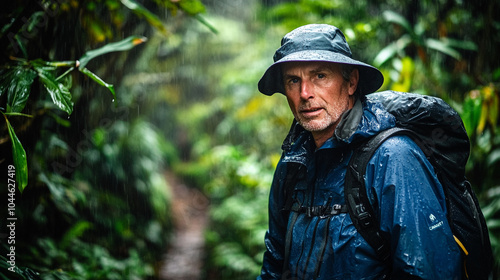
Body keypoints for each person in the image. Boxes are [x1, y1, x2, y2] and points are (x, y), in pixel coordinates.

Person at [256, 24, 463, 279]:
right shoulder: (292, 164)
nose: (305, 93)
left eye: (320, 76)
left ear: (351, 82)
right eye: (293, 80)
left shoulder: (393, 159)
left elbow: (428, 272)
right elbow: (275, 264)